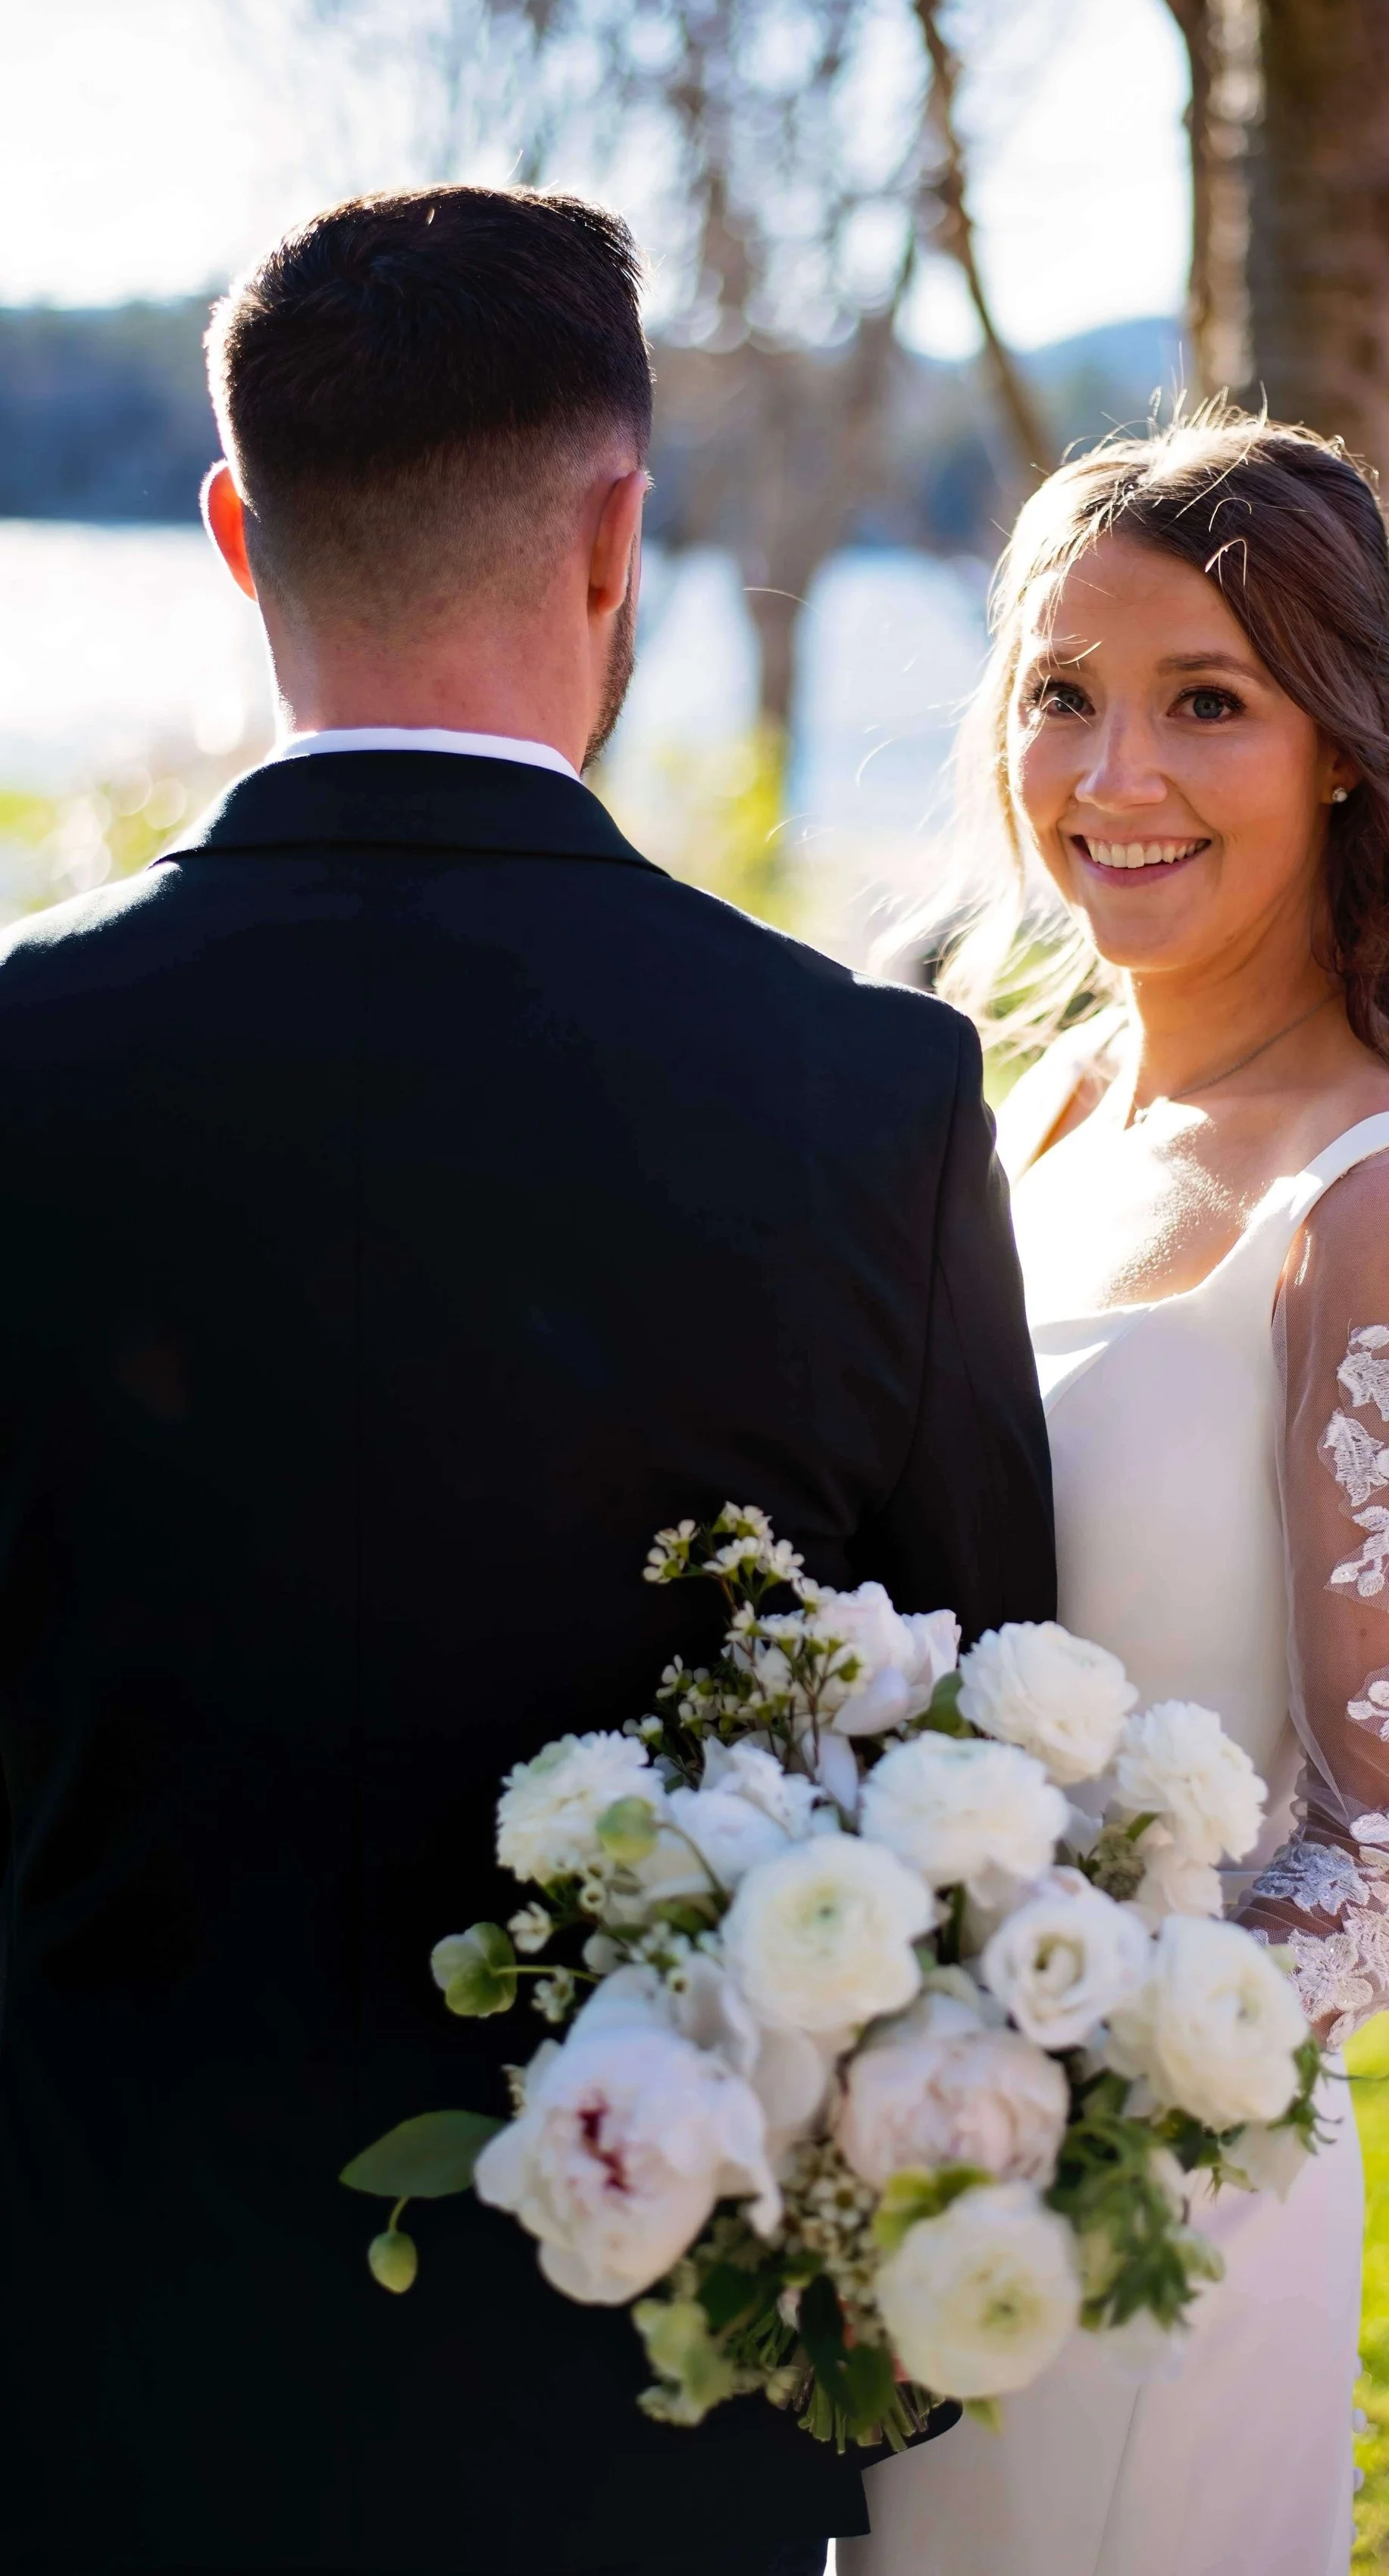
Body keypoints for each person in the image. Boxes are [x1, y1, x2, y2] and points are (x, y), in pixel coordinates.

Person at [0, 186, 1055, 2576]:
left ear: (236, 529)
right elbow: (970, 1734)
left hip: (80, 2372)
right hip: (636, 2418)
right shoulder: (864, 1099)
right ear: (616, 539)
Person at [842, 416, 1389, 2576]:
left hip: (1144, 2203)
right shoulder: (1029, 1096)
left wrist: (1042, 2091)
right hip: (895, 2168)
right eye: (1060, 694)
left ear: (1342, 747)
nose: (1113, 777)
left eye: (1207, 704)